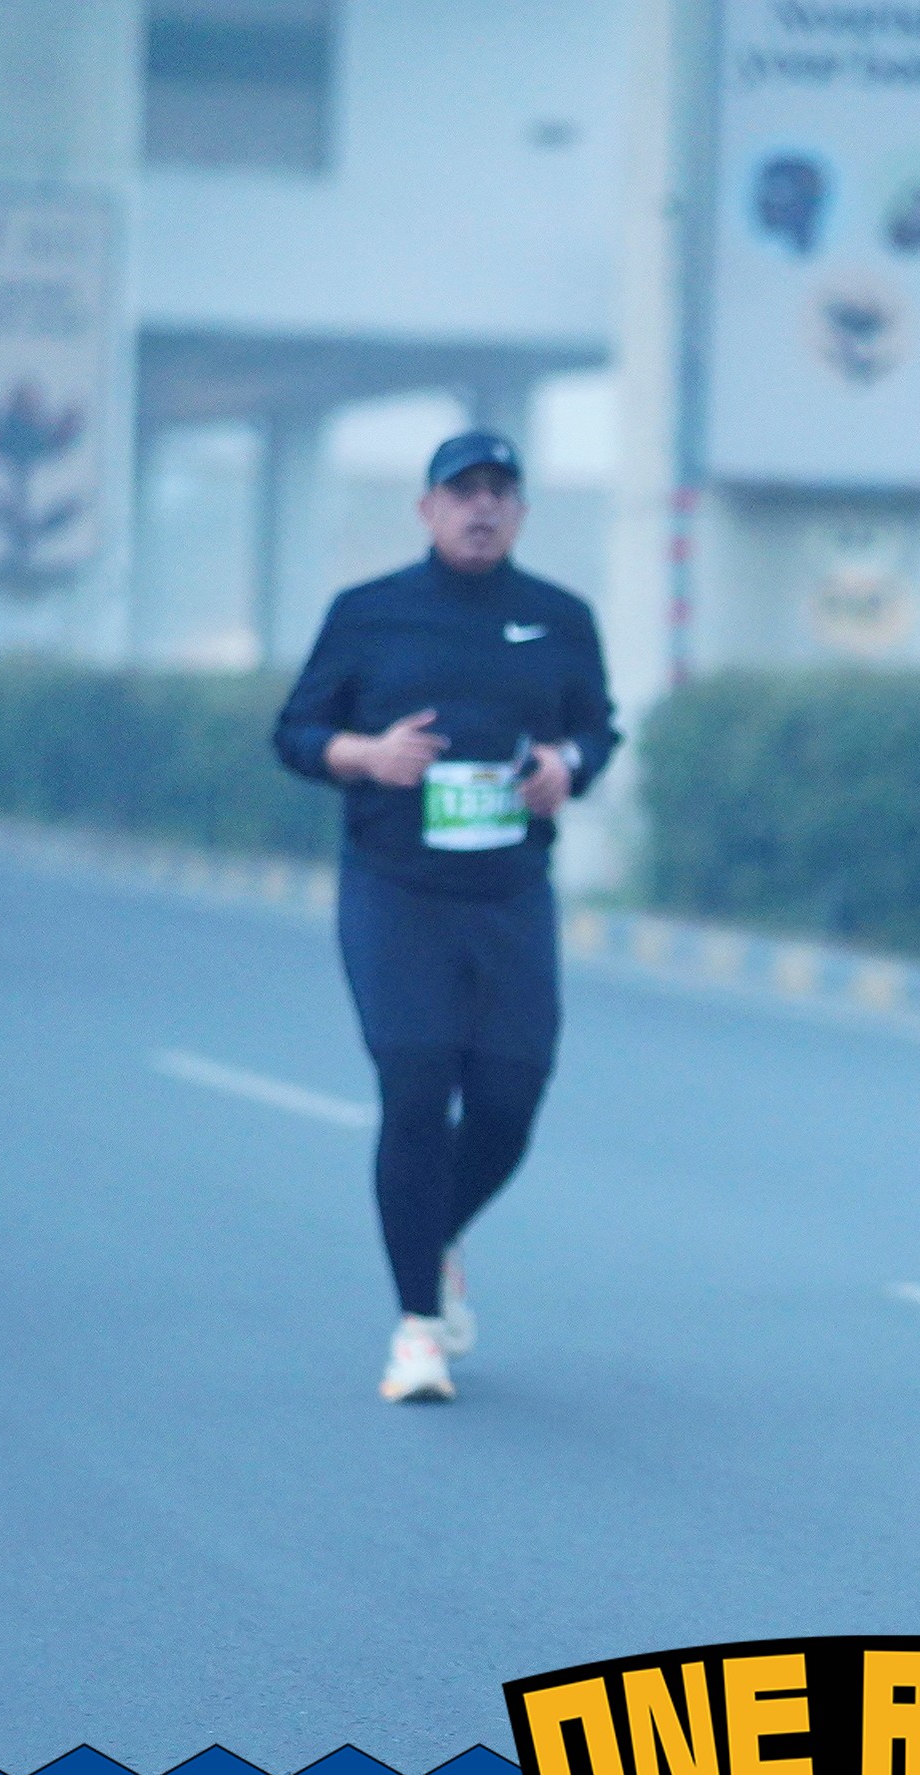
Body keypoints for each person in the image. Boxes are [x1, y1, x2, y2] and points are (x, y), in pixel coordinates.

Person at [272, 431, 618, 1404]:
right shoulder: (368, 613)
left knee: (509, 1102)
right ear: (427, 508)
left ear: (521, 512)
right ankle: (418, 1328)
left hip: (510, 892)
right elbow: (294, 732)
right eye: (463, 491)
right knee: (417, 1086)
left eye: (500, 492)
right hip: (397, 890)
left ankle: (436, 1234)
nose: (482, 508)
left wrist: (566, 768)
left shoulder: (560, 619)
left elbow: (597, 729)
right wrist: (366, 755)